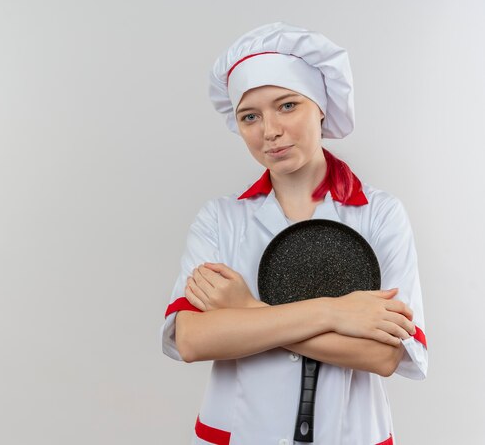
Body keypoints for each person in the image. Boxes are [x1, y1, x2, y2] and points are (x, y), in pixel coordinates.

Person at [160, 22, 427, 445]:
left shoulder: (379, 215)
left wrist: (246, 311)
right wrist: (335, 313)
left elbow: (384, 353)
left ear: (320, 106)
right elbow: (192, 339)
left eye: (287, 106)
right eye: (250, 116)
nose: (269, 131)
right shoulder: (220, 219)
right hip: (241, 432)